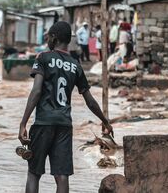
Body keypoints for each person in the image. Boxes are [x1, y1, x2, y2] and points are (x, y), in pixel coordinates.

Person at [18, 21, 113, 193]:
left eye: (48, 37)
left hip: (43, 123)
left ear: (53, 38)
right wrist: (105, 121)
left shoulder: (43, 57)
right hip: (64, 125)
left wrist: (23, 123)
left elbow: (36, 91)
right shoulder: (75, 64)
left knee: (34, 173)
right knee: (62, 176)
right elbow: (90, 101)